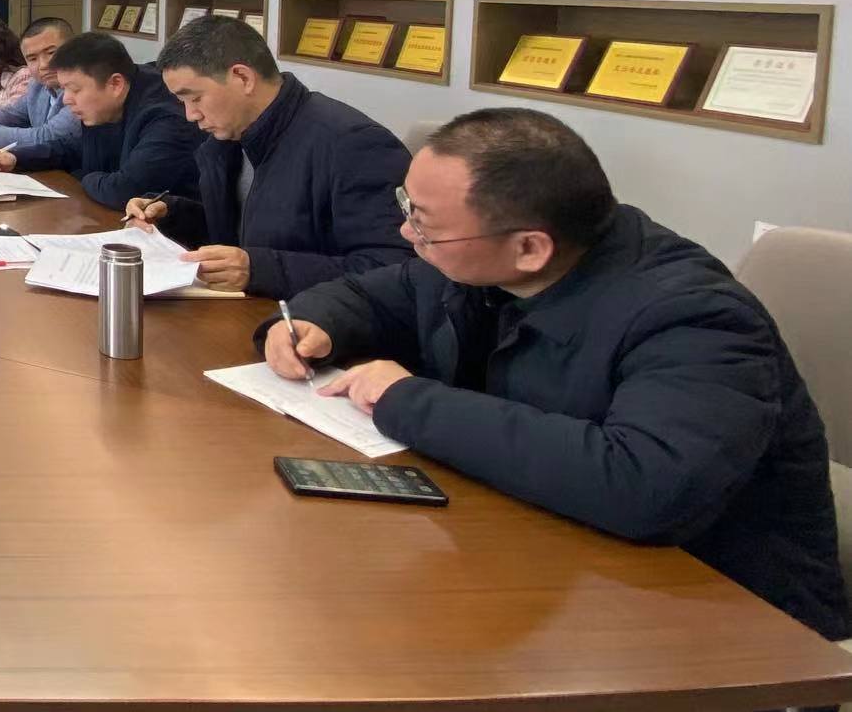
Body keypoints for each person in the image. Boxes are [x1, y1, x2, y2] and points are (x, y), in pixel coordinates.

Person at [260, 108, 849, 641]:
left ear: (530, 249)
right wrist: (314, 322)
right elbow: (371, 294)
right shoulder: (471, 261)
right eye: (406, 207)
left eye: (424, 223)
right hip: (553, 564)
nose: (406, 234)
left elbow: (643, 486)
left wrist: (407, 399)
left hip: (733, 629)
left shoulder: (694, 316)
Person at [126, 16, 410, 298]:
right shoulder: (228, 139)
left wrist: (260, 270)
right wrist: (170, 215)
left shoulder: (354, 144)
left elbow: (395, 269)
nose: (190, 115)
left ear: (243, 78)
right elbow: (245, 231)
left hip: (312, 321)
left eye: (195, 98)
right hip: (246, 311)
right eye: (182, 102)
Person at [0, 32, 199, 208]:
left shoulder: (167, 118)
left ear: (115, 84)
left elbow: (125, 191)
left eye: (74, 89)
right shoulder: (103, 105)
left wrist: (85, 177)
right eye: (64, 89)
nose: (67, 99)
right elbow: (72, 148)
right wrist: (16, 158)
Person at [0, 15, 80, 153]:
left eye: (51, 53)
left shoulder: (80, 89)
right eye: (32, 59)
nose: (43, 65)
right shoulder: (37, 86)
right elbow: (11, 114)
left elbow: (49, 137)